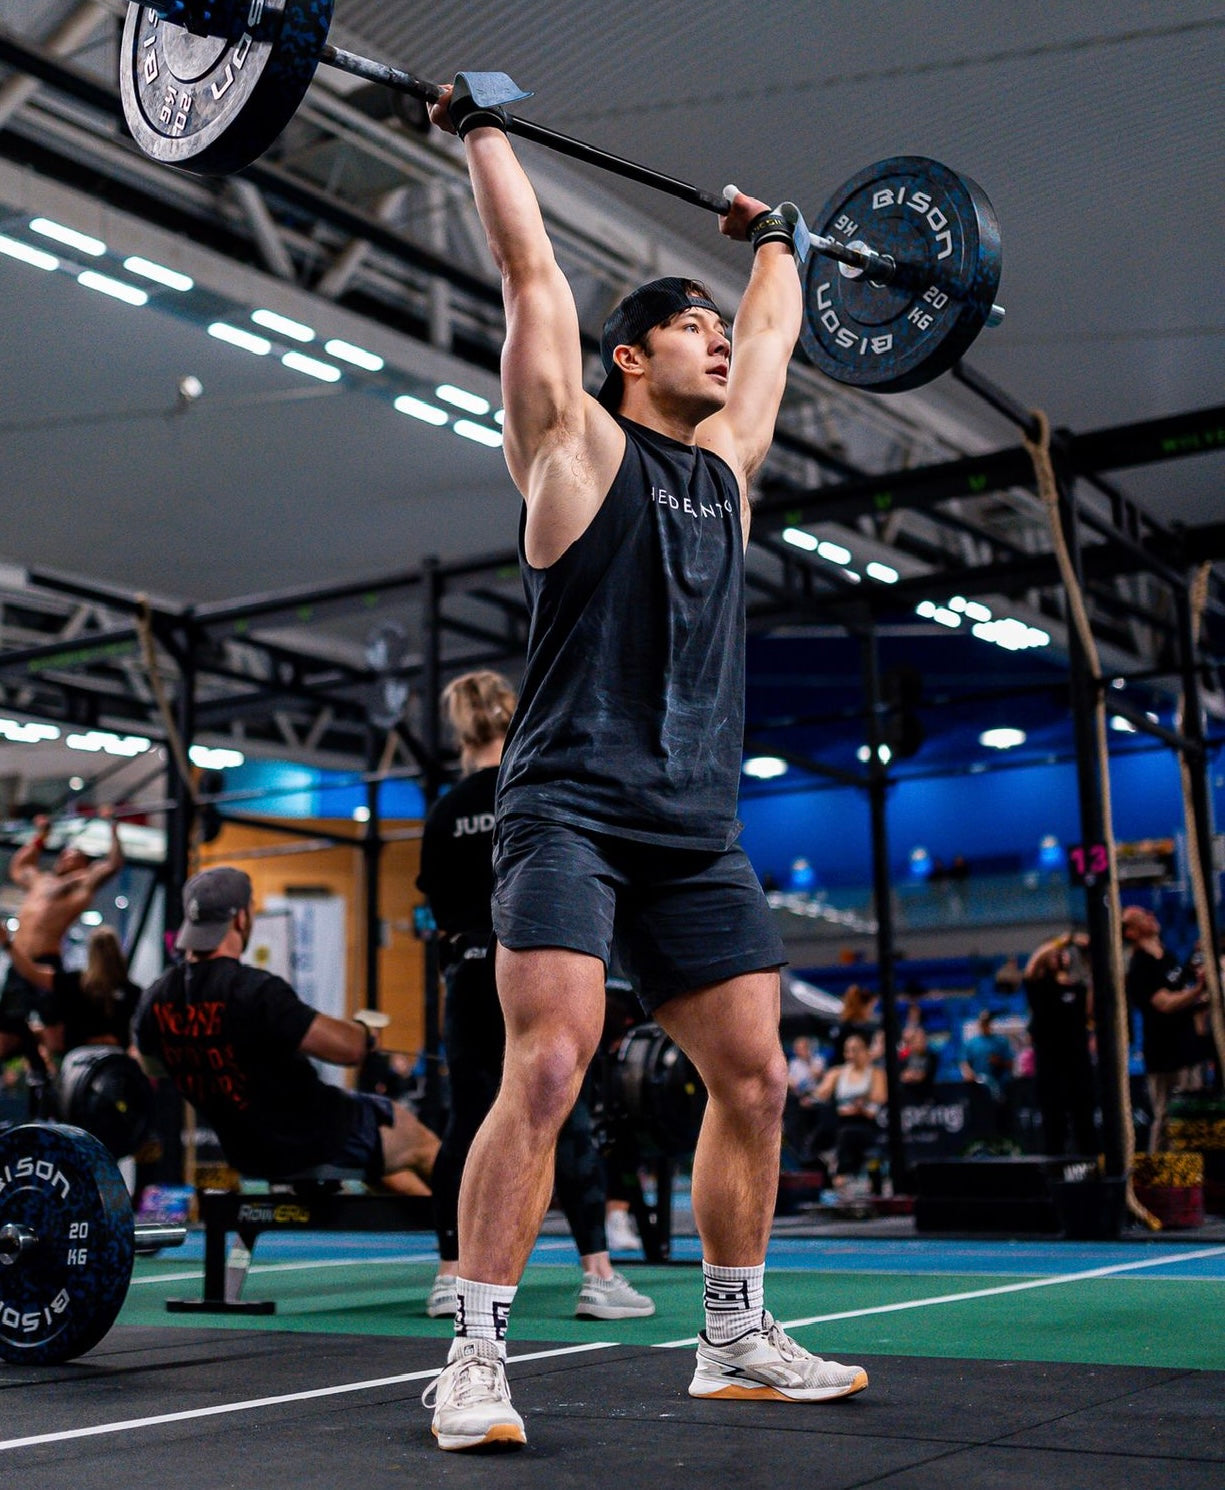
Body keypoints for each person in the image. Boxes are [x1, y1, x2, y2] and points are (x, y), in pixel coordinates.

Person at [420, 77, 867, 1452]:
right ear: (627, 356)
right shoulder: (570, 443)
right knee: (551, 1061)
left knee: (757, 1076)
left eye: (718, 328)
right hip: (566, 809)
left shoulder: (725, 469)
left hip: (693, 822)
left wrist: (776, 237)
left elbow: (781, 336)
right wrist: (480, 130)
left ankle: (731, 1334)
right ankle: (475, 1354)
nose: (720, 344)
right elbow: (528, 268)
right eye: (692, 325)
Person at [416, 670, 654, 1323]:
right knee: (565, 1113)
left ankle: (448, 1274)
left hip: (467, 970)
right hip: (534, 961)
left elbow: (437, 908)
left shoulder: (443, 811)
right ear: (512, 716)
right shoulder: (535, 788)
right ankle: (597, 1277)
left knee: (466, 1121)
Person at [135, 866, 439, 1193]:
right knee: (420, 1142)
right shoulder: (253, 990)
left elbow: (152, 1066)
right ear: (240, 919)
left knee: (385, 1159)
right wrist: (365, 1033)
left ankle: (433, 1221)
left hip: (247, 1151)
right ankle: (471, 1236)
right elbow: (349, 1051)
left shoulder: (155, 999)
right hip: (317, 1135)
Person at [1, 810, 124, 1064]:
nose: (68, 855)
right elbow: (19, 867)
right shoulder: (41, 881)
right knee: (4, 1038)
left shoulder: (81, 886)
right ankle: (30, 1053)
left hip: (46, 964)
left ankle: (57, 1078)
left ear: (84, 865)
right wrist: (41, 837)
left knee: (56, 1038)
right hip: (18, 962)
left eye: (75, 855)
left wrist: (113, 828)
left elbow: (112, 864)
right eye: (66, 852)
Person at [1122, 905, 1205, 1152]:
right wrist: (1198, 990)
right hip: (1164, 1053)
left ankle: (1189, 1174)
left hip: (1186, 1047)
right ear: (1132, 932)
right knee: (1167, 1115)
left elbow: (1181, 988)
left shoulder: (1166, 955)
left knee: (1190, 1115)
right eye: (1142, 918)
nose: (1151, 917)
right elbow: (1165, 1003)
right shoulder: (1140, 966)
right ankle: (1158, 1175)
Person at [0, 920, 140, 1057]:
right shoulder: (133, 991)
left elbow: (32, 973)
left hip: (81, 1061)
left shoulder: (75, 982)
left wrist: (8, 944)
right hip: (114, 1060)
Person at [1022, 931, 1097, 1155]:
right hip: (1050, 1064)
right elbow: (1032, 966)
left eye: (1060, 954)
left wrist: (1088, 953)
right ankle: (1055, 1168)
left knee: (1084, 1117)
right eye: (1053, 954)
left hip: (1077, 1061)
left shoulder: (1077, 988)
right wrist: (1062, 940)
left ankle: (1089, 1163)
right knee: (1053, 1121)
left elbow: (1090, 1012)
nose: (1058, 956)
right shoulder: (1039, 986)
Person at [814, 1033, 887, 1189]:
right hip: (844, 1126)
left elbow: (880, 1096)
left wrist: (863, 1101)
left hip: (868, 1125)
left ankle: (868, 1180)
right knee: (843, 1136)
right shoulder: (837, 1073)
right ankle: (840, 1177)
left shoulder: (876, 1073)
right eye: (848, 1051)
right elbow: (820, 1093)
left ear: (866, 1051)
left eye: (856, 1050)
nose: (851, 1055)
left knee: (856, 1138)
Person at [960, 1009, 1014, 1104]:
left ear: (990, 1023)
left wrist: (999, 1062)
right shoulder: (972, 1043)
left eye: (987, 1022)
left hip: (999, 1087)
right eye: (983, 1023)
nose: (985, 1025)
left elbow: (1011, 1064)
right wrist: (968, 1073)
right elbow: (964, 1062)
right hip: (978, 1088)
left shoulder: (1001, 1042)